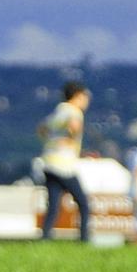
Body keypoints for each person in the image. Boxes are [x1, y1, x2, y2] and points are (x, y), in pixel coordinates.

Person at [38, 81, 92, 242]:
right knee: (83, 203)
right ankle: (84, 239)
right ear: (77, 96)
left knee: (53, 205)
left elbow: (42, 128)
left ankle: (45, 237)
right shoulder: (74, 111)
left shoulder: (58, 110)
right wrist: (72, 138)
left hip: (48, 160)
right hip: (64, 164)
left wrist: (52, 141)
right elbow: (74, 126)